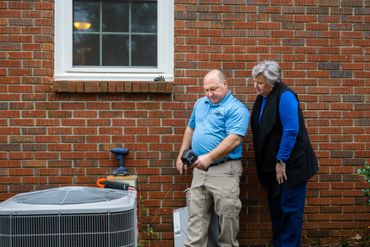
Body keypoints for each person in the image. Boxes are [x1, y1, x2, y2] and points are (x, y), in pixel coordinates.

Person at [176, 69, 250, 247]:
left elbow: (234, 139)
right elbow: (190, 128)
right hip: (199, 171)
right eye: (206, 90)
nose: (209, 94)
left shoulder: (236, 109)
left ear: (225, 84)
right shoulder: (201, 103)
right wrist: (181, 154)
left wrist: (209, 157)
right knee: (196, 217)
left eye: (213, 89)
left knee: (227, 218)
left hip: (225, 171)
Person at [250, 61, 318, 247]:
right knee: (277, 215)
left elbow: (290, 131)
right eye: (254, 81)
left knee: (289, 214)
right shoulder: (262, 98)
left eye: (261, 83)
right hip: (272, 172)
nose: (256, 86)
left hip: (290, 168)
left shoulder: (285, 96)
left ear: (272, 82)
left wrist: (281, 160)